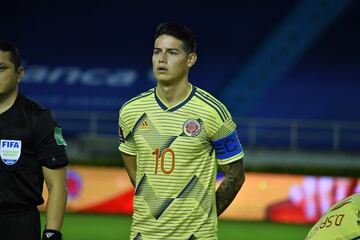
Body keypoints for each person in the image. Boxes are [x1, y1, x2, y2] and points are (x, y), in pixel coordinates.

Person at [118, 22, 245, 239]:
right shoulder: (130, 111)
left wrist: (205, 214)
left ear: (190, 59)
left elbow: (236, 175)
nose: (162, 59)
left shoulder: (212, 112)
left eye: (172, 52)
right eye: (157, 51)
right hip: (144, 234)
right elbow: (134, 170)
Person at [0, 41, 68, 240]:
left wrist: (52, 234)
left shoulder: (39, 118)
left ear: (19, 74)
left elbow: (57, 186)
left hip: (19, 224)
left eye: (1, 68)